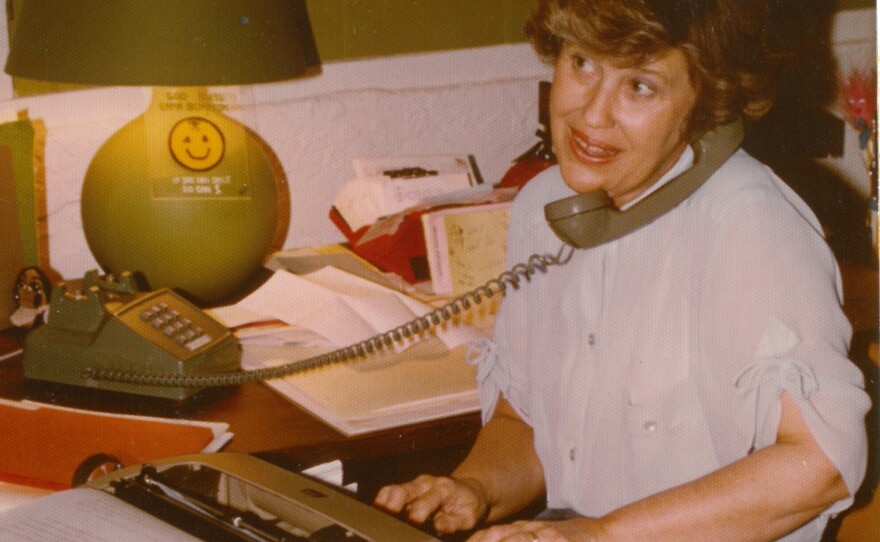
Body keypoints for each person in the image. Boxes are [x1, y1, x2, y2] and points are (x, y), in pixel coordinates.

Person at [374, 1, 872, 541]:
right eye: (582, 63)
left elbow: (821, 466)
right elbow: (526, 421)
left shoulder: (753, 225)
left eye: (640, 86)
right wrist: (475, 489)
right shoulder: (547, 206)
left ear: (706, 101)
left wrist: (602, 535)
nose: (591, 114)